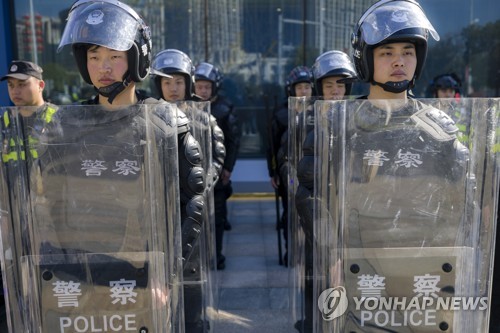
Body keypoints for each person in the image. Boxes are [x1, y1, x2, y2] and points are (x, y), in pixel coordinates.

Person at [312, 0, 470, 331]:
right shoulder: (339, 127)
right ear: (366, 58)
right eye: (386, 52)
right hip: (360, 270)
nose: (399, 61)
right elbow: (316, 201)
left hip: (423, 275)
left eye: (408, 51)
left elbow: (462, 208)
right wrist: (330, 259)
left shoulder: (439, 131)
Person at [51, 0, 204, 329]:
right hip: (82, 273)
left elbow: (191, 203)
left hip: (144, 274)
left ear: (136, 59)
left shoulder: (164, 122)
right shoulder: (66, 125)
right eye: (94, 57)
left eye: (113, 56)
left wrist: (169, 270)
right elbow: (47, 203)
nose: (102, 67)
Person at [152, 48, 225, 333]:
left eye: (178, 81)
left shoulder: (203, 119)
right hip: (159, 209)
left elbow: (216, 156)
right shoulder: (147, 118)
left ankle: (194, 323)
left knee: (191, 273)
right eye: (167, 81)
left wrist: (201, 187)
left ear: (189, 83)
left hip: (193, 211)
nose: (173, 87)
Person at [293, 51, 356, 333]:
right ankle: (311, 323)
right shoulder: (307, 120)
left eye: (340, 85)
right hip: (317, 212)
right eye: (329, 85)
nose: (335, 91)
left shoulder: (359, 118)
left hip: (352, 213)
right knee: (314, 275)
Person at [194, 62, 240, 270]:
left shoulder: (224, 108)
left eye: (207, 87)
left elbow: (233, 141)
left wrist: (227, 167)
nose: (203, 91)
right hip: (194, 171)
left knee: (218, 216)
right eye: (199, 86)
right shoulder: (187, 107)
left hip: (218, 170)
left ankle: (217, 255)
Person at [267, 65, 313, 266]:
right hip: (290, 173)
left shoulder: (318, 111)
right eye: (299, 87)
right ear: (291, 90)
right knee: (289, 212)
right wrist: (274, 172)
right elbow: (272, 146)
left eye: (307, 87)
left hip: (312, 171)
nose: (303, 91)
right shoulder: (281, 114)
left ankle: (310, 251)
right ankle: (291, 251)